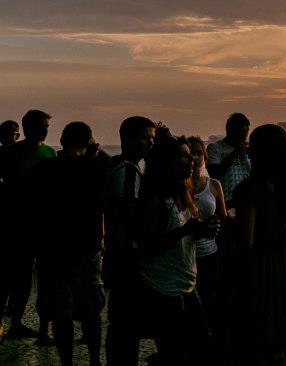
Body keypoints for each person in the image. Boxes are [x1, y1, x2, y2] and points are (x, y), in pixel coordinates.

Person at [32, 122, 108, 366]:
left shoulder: (44, 168)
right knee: (91, 312)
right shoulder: (94, 168)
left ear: (63, 141)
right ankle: (95, 360)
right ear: (88, 142)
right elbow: (105, 204)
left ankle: (66, 362)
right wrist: (96, 153)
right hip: (87, 247)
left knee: (60, 312)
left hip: (52, 249)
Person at [138, 135, 216, 364]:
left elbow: (183, 234)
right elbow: (148, 247)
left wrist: (202, 230)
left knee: (200, 346)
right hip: (164, 287)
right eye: (184, 155)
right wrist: (185, 231)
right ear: (167, 162)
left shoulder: (183, 193)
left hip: (187, 282)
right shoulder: (156, 200)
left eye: (192, 155)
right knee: (176, 351)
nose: (192, 159)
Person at [230, 124, 286, 366]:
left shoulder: (249, 191)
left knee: (264, 339)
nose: (248, 150)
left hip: (258, 270)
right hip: (283, 268)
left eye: (252, 145)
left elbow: (247, 242)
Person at [103, 115, 155, 366]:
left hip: (121, 252)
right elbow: (129, 215)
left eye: (152, 138)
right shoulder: (129, 171)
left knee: (123, 320)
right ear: (127, 140)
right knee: (126, 321)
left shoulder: (121, 167)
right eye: (146, 138)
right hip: (127, 255)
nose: (150, 143)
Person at [0, 109, 56, 339]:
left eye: (47, 126)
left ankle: (18, 323)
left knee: (33, 279)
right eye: (41, 126)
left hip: (41, 225)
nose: (45, 130)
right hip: (15, 224)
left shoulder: (50, 153)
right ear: (27, 128)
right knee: (12, 276)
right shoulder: (8, 153)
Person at [187, 137, 227, 338]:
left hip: (209, 253)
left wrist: (217, 228)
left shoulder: (214, 185)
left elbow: (222, 216)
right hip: (186, 255)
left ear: (205, 156)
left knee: (209, 300)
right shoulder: (180, 187)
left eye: (199, 153)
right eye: (191, 153)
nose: (195, 158)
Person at [207, 113, 251, 208]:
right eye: (243, 131)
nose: (245, 135)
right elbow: (214, 174)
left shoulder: (248, 150)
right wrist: (236, 152)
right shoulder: (215, 148)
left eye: (247, 130)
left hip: (247, 203)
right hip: (225, 203)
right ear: (231, 131)